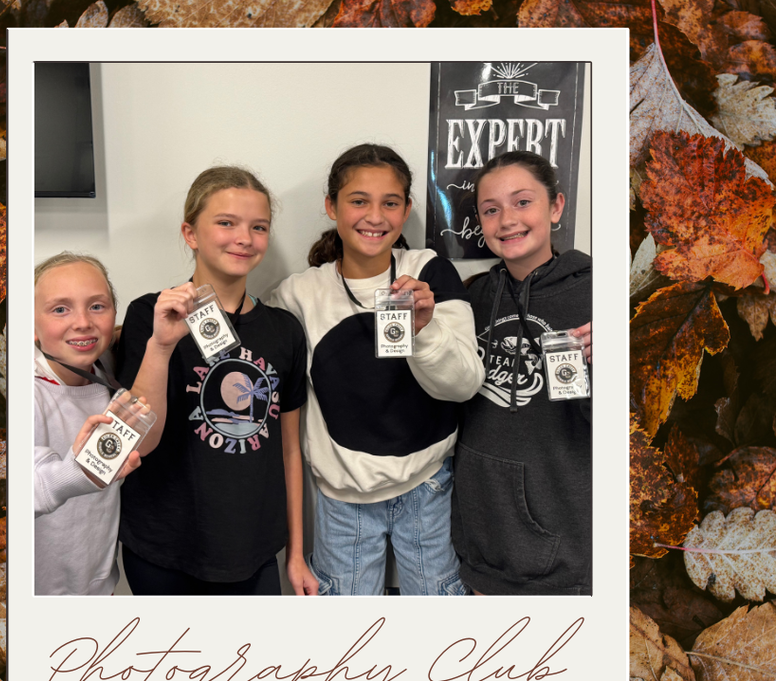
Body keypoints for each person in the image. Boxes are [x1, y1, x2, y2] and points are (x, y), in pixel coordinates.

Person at [269, 143, 483, 595]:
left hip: (427, 486)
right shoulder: (298, 294)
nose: (375, 216)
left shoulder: (427, 272)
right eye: (358, 200)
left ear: (406, 210)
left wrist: (423, 329)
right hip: (343, 499)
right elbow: (243, 329)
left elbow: (464, 385)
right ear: (332, 206)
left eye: (390, 202)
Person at [114, 166, 314, 595]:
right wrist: (161, 345)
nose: (244, 238)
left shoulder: (284, 330)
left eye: (258, 227)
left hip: (254, 550)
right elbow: (136, 437)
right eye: (226, 223)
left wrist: (296, 554)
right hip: (164, 548)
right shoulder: (148, 315)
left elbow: (289, 449)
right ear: (190, 233)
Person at [452, 150, 592, 595]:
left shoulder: (597, 294)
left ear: (556, 207)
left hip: (562, 551)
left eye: (522, 202)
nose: (506, 220)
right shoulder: (472, 299)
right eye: (491, 210)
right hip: (480, 542)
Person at [34, 254, 152, 595]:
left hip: (99, 588)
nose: (83, 322)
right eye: (60, 309)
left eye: (97, 306)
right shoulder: (29, 392)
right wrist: (75, 473)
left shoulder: (104, 370)